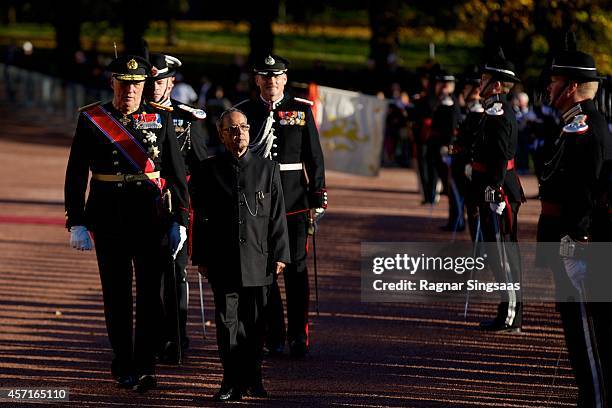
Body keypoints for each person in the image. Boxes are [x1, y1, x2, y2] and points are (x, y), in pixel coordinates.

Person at [64, 55, 189, 392]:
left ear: (144, 86)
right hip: (108, 218)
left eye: (136, 85)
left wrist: (180, 219)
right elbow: (76, 172)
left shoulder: (160, 119)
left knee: (150, 296)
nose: (130, 91)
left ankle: (146, 365)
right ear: (112, 84)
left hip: (150, 219)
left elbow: (176, 176)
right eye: (124, 84)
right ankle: (124, 364)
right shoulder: (93, 119)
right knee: (116, 296)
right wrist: (75, 220)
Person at [190, 108, 290, 401]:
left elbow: (277, 216)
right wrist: (202, 258)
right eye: (232, 130)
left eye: (244, 128)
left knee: (256, 324)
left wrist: (281, 254)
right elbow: (202, 217)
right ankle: (230, 381)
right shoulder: (209, 170)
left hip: (259, 259)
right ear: (221, 135)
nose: (239, 134)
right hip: (223, 260)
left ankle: (254, 378)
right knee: (227, 323)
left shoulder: (267, 168)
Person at [235, 54, 327, 358]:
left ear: (284, 79)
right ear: (257, 80)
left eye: (277, 77)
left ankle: (298, 333)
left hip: (294, 201)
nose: (271, 82)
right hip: (258, 202)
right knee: (264, 271)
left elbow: (314, 156)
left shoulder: (300, 111)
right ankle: (274, 332)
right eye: (265, 76)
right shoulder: (245, 112)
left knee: (296, 270)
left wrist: (318, 193)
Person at [538, 36, 612, 406]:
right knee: (577, 337)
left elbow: (585, 191)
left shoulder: (584, 127)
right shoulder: (573, 124)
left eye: (554, 81)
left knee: (587, 340)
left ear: (570, 87)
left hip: (579, 247)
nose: (548, 88)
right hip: (568, 242)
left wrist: (578, 241)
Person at [145, 52, 208, 363]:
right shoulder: (133, 115)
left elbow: (201, 167)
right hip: (143, 204)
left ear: (170, 82)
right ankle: (152, 335)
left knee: (175, 274)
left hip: (176, 205)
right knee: (148, 275)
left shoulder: (187, 118)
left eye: (160, 81)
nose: (154, 87)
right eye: (150, 81)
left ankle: (176, 335)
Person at [470, 47, 524, 332]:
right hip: (491, 187)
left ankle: (510, 314)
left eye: (485, 79)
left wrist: (494, 192)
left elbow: (501, 156)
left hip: (499, 190)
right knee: (496, 253)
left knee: (502, 254)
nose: (480, 84)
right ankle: (507, 309)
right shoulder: (493, 109)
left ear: (498, 84)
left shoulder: (500, 111)